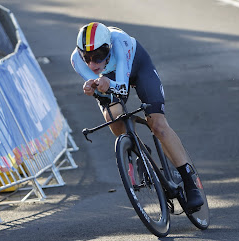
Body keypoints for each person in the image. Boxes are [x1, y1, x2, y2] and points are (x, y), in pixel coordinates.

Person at [71, 22, 203, 210]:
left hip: (137, 69)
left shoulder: (119, 42)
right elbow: (102, 90)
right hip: (109, 82)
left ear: (108, 49)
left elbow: (122, 88)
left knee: (158, 125)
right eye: (87, 58)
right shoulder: (76, 60)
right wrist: (91, 87)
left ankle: (189, 181)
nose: (92, 64)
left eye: (98, 57)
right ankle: (139, 150)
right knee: (113, 117)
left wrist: (107, 82)